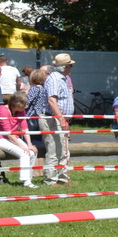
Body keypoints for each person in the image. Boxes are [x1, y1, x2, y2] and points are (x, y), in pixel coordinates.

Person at [39, 53, 75, 184]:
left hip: (60, 119)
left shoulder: (62, 78)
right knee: (54, 151)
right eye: (70, 65)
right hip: (52, 119)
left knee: (64, 151)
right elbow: (52, 101)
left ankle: (62, 178)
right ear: (64, 67)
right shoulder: (55, 79)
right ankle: (50, 180)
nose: (71, 68)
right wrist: (61, 120)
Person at [0, 92, 40, 187]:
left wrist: (29, 144)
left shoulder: (21, 111)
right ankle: (25, 181)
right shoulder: (3, 111)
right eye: (23, 104)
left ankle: (28, 179)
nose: (26, 106)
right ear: (15, 105)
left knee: (32, 152)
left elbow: (25, 128)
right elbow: (8, 133)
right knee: (24, 153)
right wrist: (23, 147)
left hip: (14, 137)